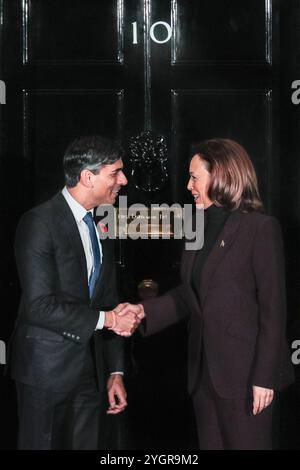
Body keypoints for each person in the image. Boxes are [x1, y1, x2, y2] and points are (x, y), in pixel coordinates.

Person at [118, 138, 294, 450]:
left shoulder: (260, 229)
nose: (188, 186)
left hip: (246, 379)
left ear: (222, 176)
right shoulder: (197, 228)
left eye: (194, 177)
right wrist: (144, 311)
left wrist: (264, 378)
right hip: (203, 378)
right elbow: (191, 296)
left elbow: (274, 310)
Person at [9, 135, 140, 450]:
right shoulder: (39, 222)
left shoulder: (99, 226)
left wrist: (115, 371)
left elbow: (107, 298)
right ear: (87, 177)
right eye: (115, 173)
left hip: (89, 373)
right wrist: (109, 320)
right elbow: (38, 306)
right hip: (45, 372)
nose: (123, 180)